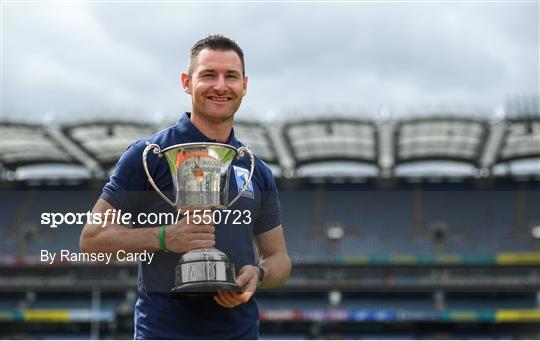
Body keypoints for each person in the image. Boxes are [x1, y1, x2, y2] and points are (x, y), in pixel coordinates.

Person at [80, 35, 291, 339]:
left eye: (230, 76)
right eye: (208, 74)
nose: (220, 85)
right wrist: (165, 236)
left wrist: (259, 275)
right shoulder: (147, 156)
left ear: (244, 84)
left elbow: (279, 259)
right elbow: (91, 242)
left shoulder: (257, 170)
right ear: (186, 82)